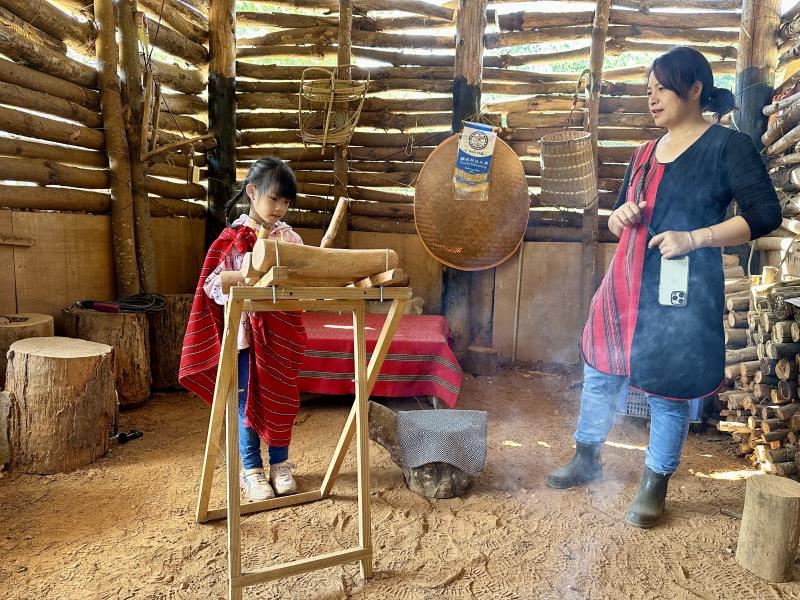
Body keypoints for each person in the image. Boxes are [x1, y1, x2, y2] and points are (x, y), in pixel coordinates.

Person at [546, 47, 781, 527]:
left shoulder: (727, 147)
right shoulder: (643, 154)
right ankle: (586, 457)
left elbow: (765, 216)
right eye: (648, 89)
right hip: (625, 283)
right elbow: (619, 217)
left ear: (694, 88)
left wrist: (696, 238)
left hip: (682, 289)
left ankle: (655, 482)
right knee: (601, 371)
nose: (651, 98)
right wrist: (620, 215)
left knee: (669, 389)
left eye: (661, 88)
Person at [179, 158, 307, 502]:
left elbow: (300, 283)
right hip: (247, 338)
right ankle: (251, 470)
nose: (280, 208)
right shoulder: (231, 238)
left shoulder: (290, 238)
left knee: (282, 398)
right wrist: (241, 280)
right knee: (246, 401)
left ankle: (280, 464)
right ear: (252, 193)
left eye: (286, 201)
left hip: (280, 337)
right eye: (274, 199)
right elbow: (210, 285)